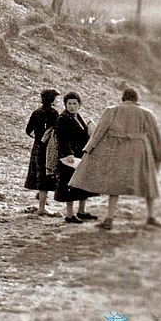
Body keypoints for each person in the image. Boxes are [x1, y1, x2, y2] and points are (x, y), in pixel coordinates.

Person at [69, 87, 161, 231]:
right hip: (139, 152)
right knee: (149, 182)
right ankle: (151, 216)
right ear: (136, 99)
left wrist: (89, 148)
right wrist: (159, 154)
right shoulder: (147, 113)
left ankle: (109, 219)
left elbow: (99, 131)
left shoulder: (112, 110)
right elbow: (155, 136)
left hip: (117, 151)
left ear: (123, 98)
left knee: (115, 185)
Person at [53, 92, 94, 223]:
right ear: (65, 104)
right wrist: (68, 153)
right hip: (69, 157)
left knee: (83, 183)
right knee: (68, 184)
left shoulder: (78, 117)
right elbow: (62, 138)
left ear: (79, 105)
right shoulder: (62, 118)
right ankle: (69, 214)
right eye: (69, 104)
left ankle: (81, 211)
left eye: (74, 104)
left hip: (80, 154)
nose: (72, 106)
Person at [23, 89, 60, 216]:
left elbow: (28, 130)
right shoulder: (54, 112)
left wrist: (38, 138)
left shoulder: (36, 112)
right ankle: (42, 208)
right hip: (48, 148)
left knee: (39, 173)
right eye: (55, 97)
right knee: (46, 176)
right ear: (51, 99)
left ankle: (41, 198)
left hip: (37, 147)